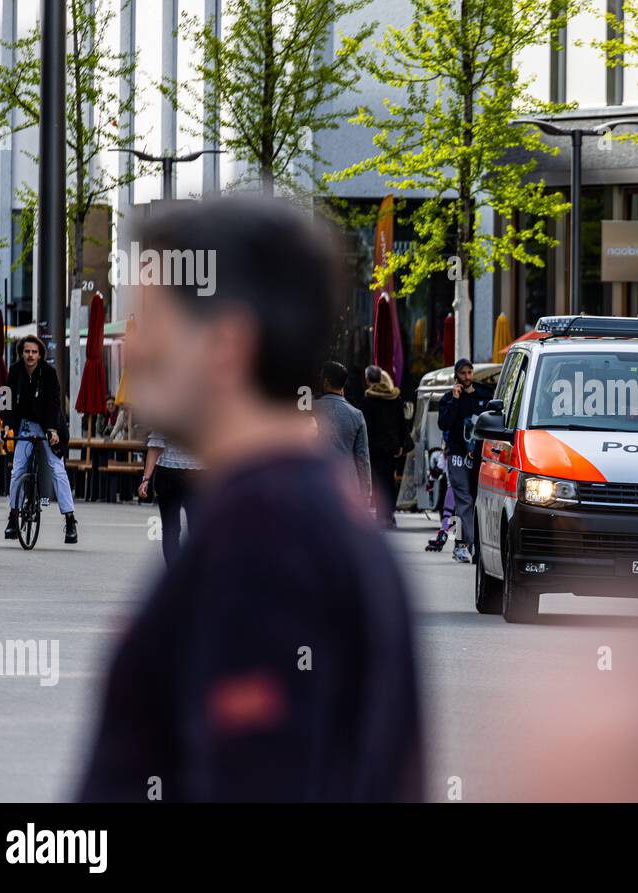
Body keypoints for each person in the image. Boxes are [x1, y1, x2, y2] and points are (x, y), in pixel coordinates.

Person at [78, 196, 421, 801]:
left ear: (225, 345)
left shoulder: (266, 548)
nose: (133, 349)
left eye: (151, 321)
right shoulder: (294, 519)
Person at [3, 334, 78, 544]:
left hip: (49, 425)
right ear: (21, 353)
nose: (30, 355)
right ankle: (13, 516)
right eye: (27, 351)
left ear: (40, 354)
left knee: (57, 467)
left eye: (34, 352)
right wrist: (7, 425)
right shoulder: (15, 371)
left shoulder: (49, 373)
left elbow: (55, 403)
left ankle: (70, 520)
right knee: (17, 469)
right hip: (25, 424)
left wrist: (53, 429)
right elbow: (5, 398)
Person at [438, 357, 493, 563]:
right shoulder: (449, 398)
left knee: (474, 499)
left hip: (479, 456)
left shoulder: (484, 395)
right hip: (457, 455)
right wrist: (454, 400)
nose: (467, 377)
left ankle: (464, 544)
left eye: (469, 372)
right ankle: (470, 545)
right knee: (463, 500)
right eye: (463, 373)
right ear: (456, 376)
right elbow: (443, 424)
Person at [138, 432, 203, 567]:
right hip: (197, 474)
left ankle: (176, 574)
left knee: (170, 529)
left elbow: (155, 445)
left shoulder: (168, 411)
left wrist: (146, 479)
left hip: (168, 472)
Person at [313, 360, 372, 506]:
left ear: (325, 382)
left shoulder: (310, 409)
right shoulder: (356, 414)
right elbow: (362, 458)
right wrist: (366, 492)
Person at [362, 365, 408, 529]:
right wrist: (402, 443)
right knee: (389, 480)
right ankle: (389, 514)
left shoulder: (368, 400)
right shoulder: (394, 397)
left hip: (374, 448)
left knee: (377, 481)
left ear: (368, 380)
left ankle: (381, 515)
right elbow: (401, 422)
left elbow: (366, 425)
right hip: (391, 447)